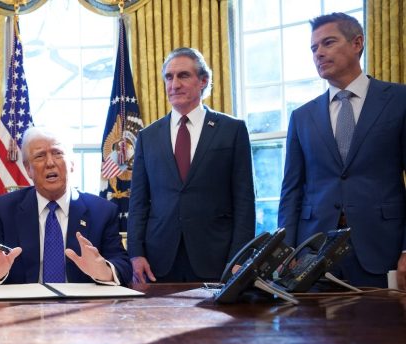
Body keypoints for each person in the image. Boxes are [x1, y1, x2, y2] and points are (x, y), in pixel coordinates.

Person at [278, 12, 406, 289]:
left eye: (328, 43)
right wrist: (286, 249)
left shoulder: (399, 100)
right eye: (314, 48)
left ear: (357, 43)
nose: (319, 53)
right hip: (313, 255)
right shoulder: (302, 116)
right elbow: (292, 190)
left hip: (382, 247)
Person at [127, 47, 256, 283]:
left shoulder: (232, 130)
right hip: (159, 260)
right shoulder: (148, 136)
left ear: (203, 81)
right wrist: (136, 253)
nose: (174, 84)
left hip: (217, 258)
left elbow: (244, 201)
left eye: (183, 75)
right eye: (169, 77)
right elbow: (138, 202)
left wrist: (240, 256)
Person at [0, 127, 132, 285]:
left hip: (82, 302)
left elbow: (123, 266)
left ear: (72, 163)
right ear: (28, 169)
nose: (50, 163)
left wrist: (105, 271)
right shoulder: (4, 209)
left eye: (57, 153)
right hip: (23, 302)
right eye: (40, 156)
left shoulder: (102, 211)